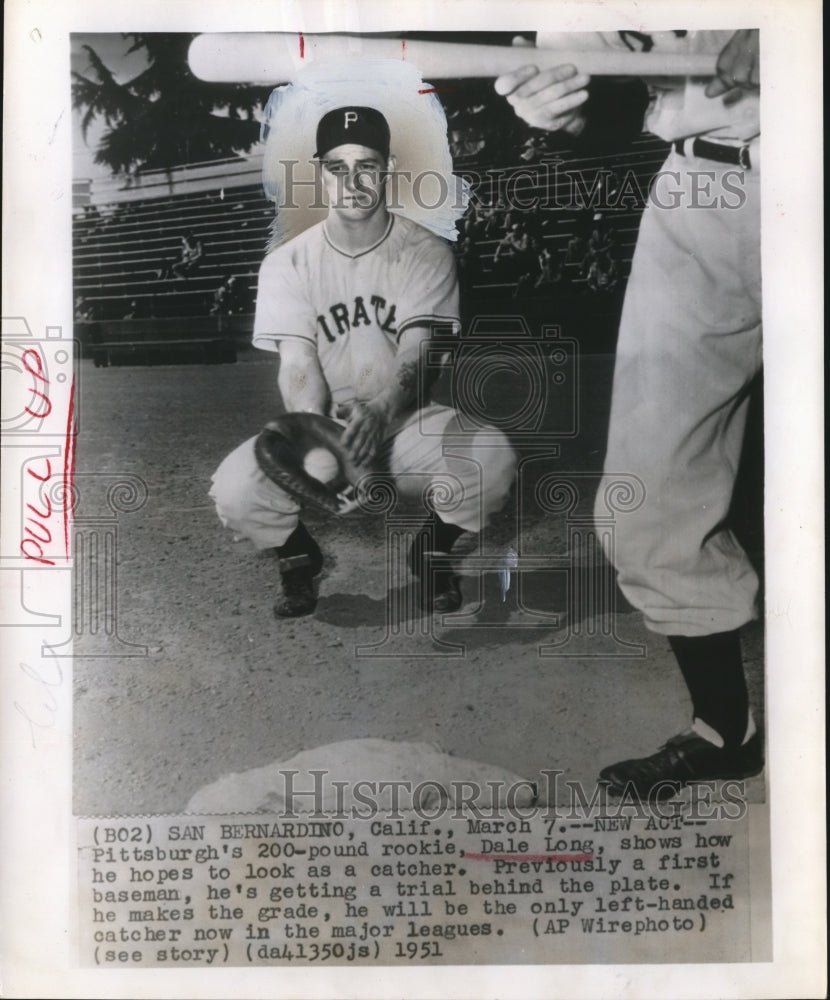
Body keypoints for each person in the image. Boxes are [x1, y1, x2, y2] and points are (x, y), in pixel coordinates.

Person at [496, 29, 763, 797]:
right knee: (646, 495)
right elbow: (615, 105)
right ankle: (723, 730)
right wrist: (562, 108)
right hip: (700, 190)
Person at [210, 106, 516, 618]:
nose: (351, 181)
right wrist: (315, 432)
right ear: (319, 172)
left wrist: (379, 410)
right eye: (337, 167)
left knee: (492, 458)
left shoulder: (426, 251)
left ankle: (434, 550)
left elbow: (418, 352)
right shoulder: (286, 262)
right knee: (236, 489)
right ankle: (297, 556)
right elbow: (297, 361)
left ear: (389, 168)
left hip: (404, 419)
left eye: (366, 166)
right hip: (323, 421)